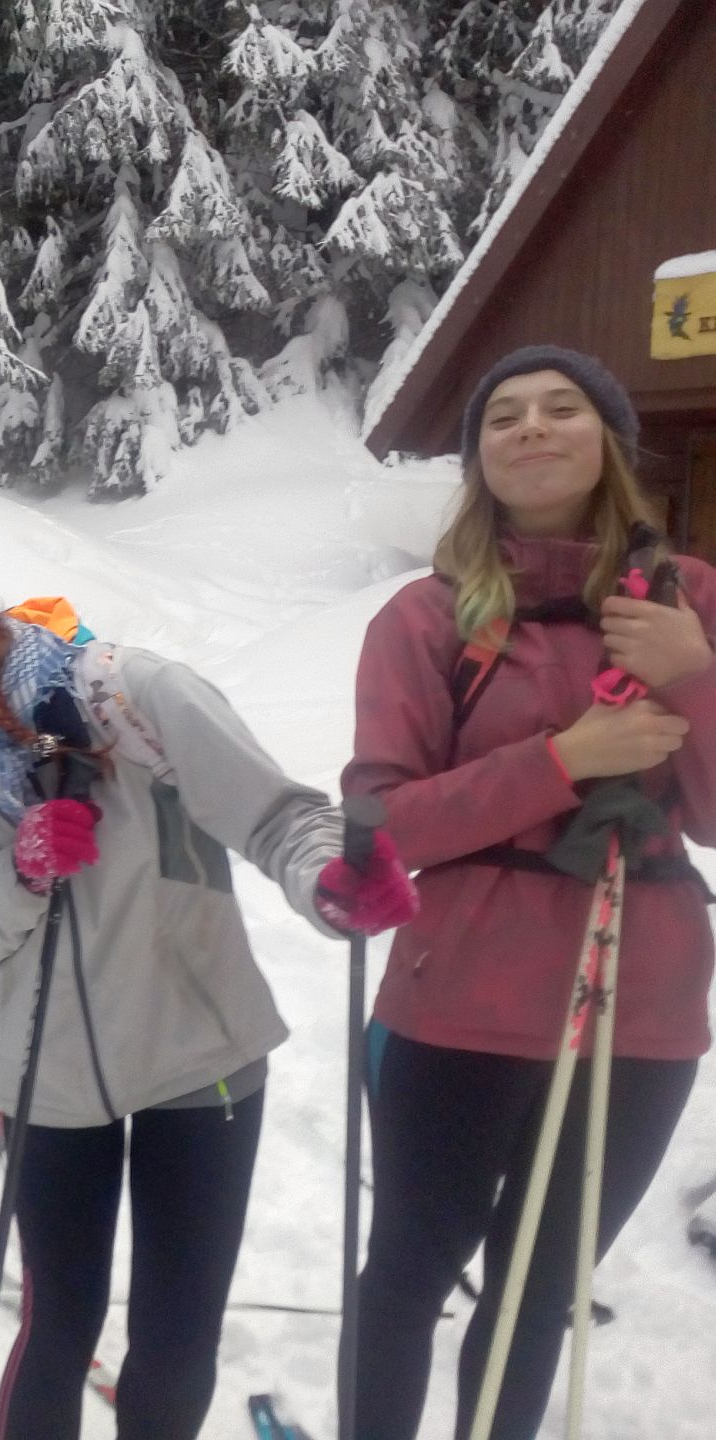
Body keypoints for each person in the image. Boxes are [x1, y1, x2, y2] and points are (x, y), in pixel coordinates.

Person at [0, 542, 414, 1440]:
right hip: (49, 1076)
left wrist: (331, 882)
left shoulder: (132, 696)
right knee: (57, 1323)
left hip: (201, 1055)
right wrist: (21, 869)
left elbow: (280, 818)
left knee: (177, 1331)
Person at [341, 346, 716, 1440]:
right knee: (409, 1271)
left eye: (563, 408)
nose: (533, 427)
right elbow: (382, 824)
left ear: (611, 442)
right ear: (479, 460)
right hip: (459, 998)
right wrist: (564, 761)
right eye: (504, 416)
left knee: (539, 1290)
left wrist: (694, 674)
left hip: (637, 1008)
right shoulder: (428, 617)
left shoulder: (690, 601)